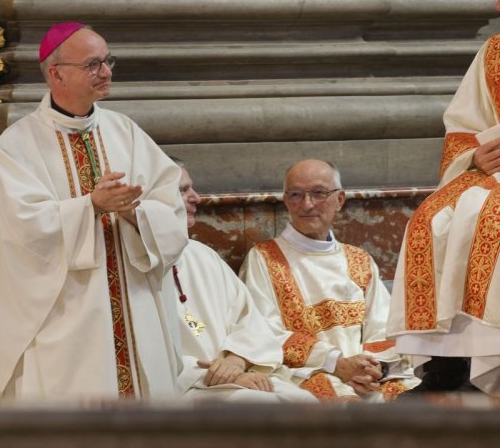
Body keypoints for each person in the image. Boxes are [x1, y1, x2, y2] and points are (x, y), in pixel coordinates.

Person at [0, 21, 187, 400]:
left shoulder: (125, 131)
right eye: (93, 64)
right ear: (56, 73)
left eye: (107, 61)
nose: (106, 72)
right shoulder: (19, 144)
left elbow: (170, 207)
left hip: (135, 309)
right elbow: (21, 230)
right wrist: (91, 205)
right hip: (66, 318)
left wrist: (134, 213)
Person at [240, 159, 418, 401]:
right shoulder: (264, 259)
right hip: (307, 374)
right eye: (295, 195)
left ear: (340, 200)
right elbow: (262, 332)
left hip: (367, 376)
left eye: (318, 193)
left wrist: (374, 368)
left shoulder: (359, 259)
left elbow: (383, 327)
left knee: (414, 407)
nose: (307, 204)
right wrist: (335, 363)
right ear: (285, 200)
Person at [387, 25, 500, 393]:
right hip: (493, 168)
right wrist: (473, 156)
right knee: (433, 216)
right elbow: (463, 127)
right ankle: (447, 360)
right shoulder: (494, 52)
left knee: (489, 216)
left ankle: (490, 360)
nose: (499, 6)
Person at [171, 166, 315, 403]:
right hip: (187, 387)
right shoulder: (135, 268)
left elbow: (250, 321)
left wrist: (235, 361)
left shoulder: (203, 256)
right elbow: (147, 354)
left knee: (305, 402)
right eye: (183, 190)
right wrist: (218, 374)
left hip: (234, 375)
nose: (196, 197)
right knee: (264, 407)